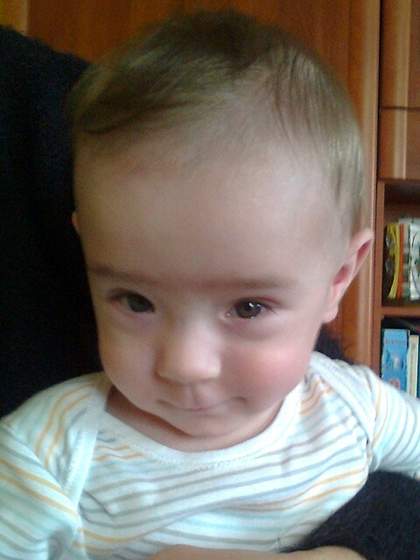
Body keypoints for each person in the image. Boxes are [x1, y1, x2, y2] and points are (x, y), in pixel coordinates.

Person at [0, 10, 419, 560]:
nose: (185, 365)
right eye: (136, 301)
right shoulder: (44, 455)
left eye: (248, 307)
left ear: (336, 280)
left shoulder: (358, 409)